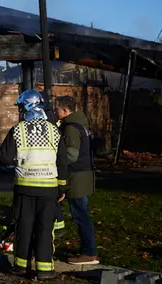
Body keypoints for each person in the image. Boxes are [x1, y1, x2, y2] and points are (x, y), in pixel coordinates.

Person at [0, 89, 68, 280]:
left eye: (22, 107)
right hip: (49, 189)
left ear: (28, 107)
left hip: (24, 188)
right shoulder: (54, 130)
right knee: (45, 228)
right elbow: (62, 161)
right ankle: (45, 269)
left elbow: (5, 157)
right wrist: (62, 187)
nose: (20, 111)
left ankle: (21, 267)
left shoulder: (18, 129)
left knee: (24, 227)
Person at [55, 95, 99, 265]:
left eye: (57, 108)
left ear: (65, 110)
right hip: (84, 175)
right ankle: (87, 250)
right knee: (81, 213)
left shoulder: (71, 128)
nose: (55, 111)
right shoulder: (81, 125)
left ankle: (89, 253)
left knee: (80, 215)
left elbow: (71, 156)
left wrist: (55, 159)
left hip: (77, 177)